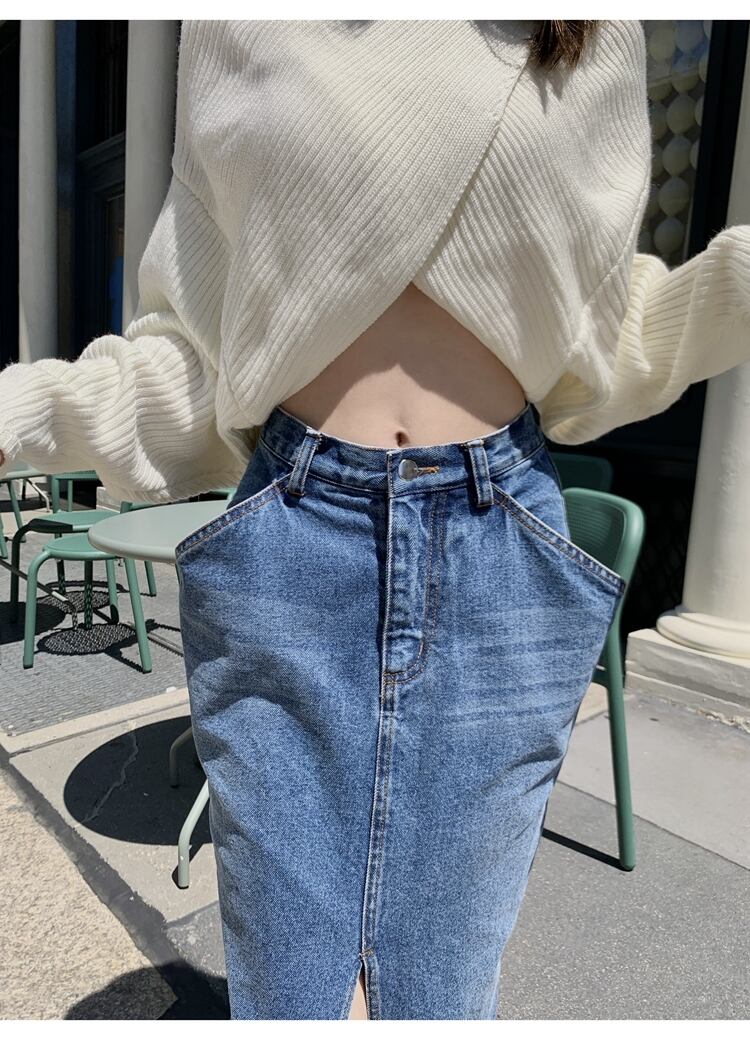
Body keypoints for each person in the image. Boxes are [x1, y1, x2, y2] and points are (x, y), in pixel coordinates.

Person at [1, 20, 748, 1020]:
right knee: (287, 990)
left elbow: (609, 336)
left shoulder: (585, 30)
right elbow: (198, 354)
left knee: (444, 988)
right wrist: (20, 414)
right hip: (291, 539)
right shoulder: (235, 25)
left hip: (498, 549)